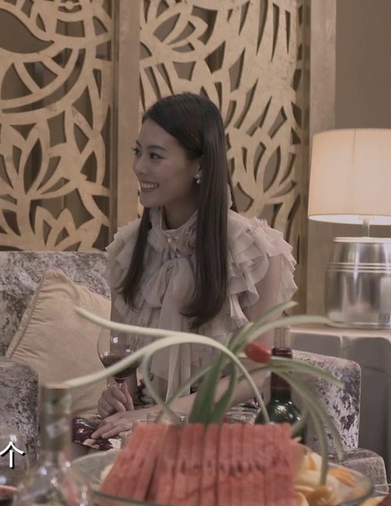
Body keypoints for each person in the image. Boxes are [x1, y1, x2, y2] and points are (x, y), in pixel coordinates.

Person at [91, 92, 297, 439]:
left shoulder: (254, 251)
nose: (139, 167)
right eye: (138, 152)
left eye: (155, 156)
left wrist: (164, 414)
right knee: (74, 446)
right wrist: (116, 396)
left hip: (226, 419)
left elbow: (257, 374)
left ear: (199, 165)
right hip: (145, 416)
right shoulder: (129, 248)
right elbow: (122, 360)